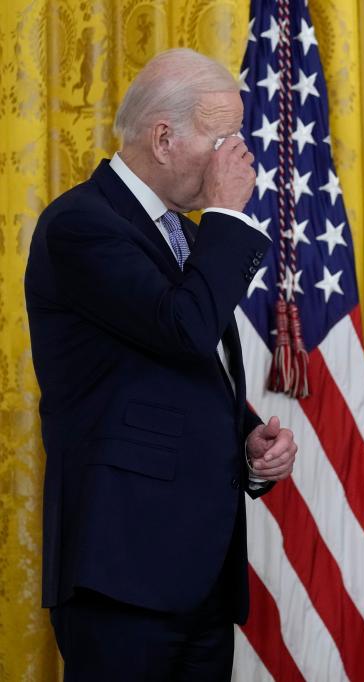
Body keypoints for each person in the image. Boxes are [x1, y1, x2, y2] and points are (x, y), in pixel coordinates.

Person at [24, 48, 297, 680]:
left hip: (199, 573)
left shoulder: (188, 236)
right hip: (123, 568)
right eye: (223, 136)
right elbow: (184, 326)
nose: (240, 157)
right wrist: (229, 212)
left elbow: (180, 370)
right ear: (165, 137)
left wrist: (247, 436)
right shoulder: (82, 224)